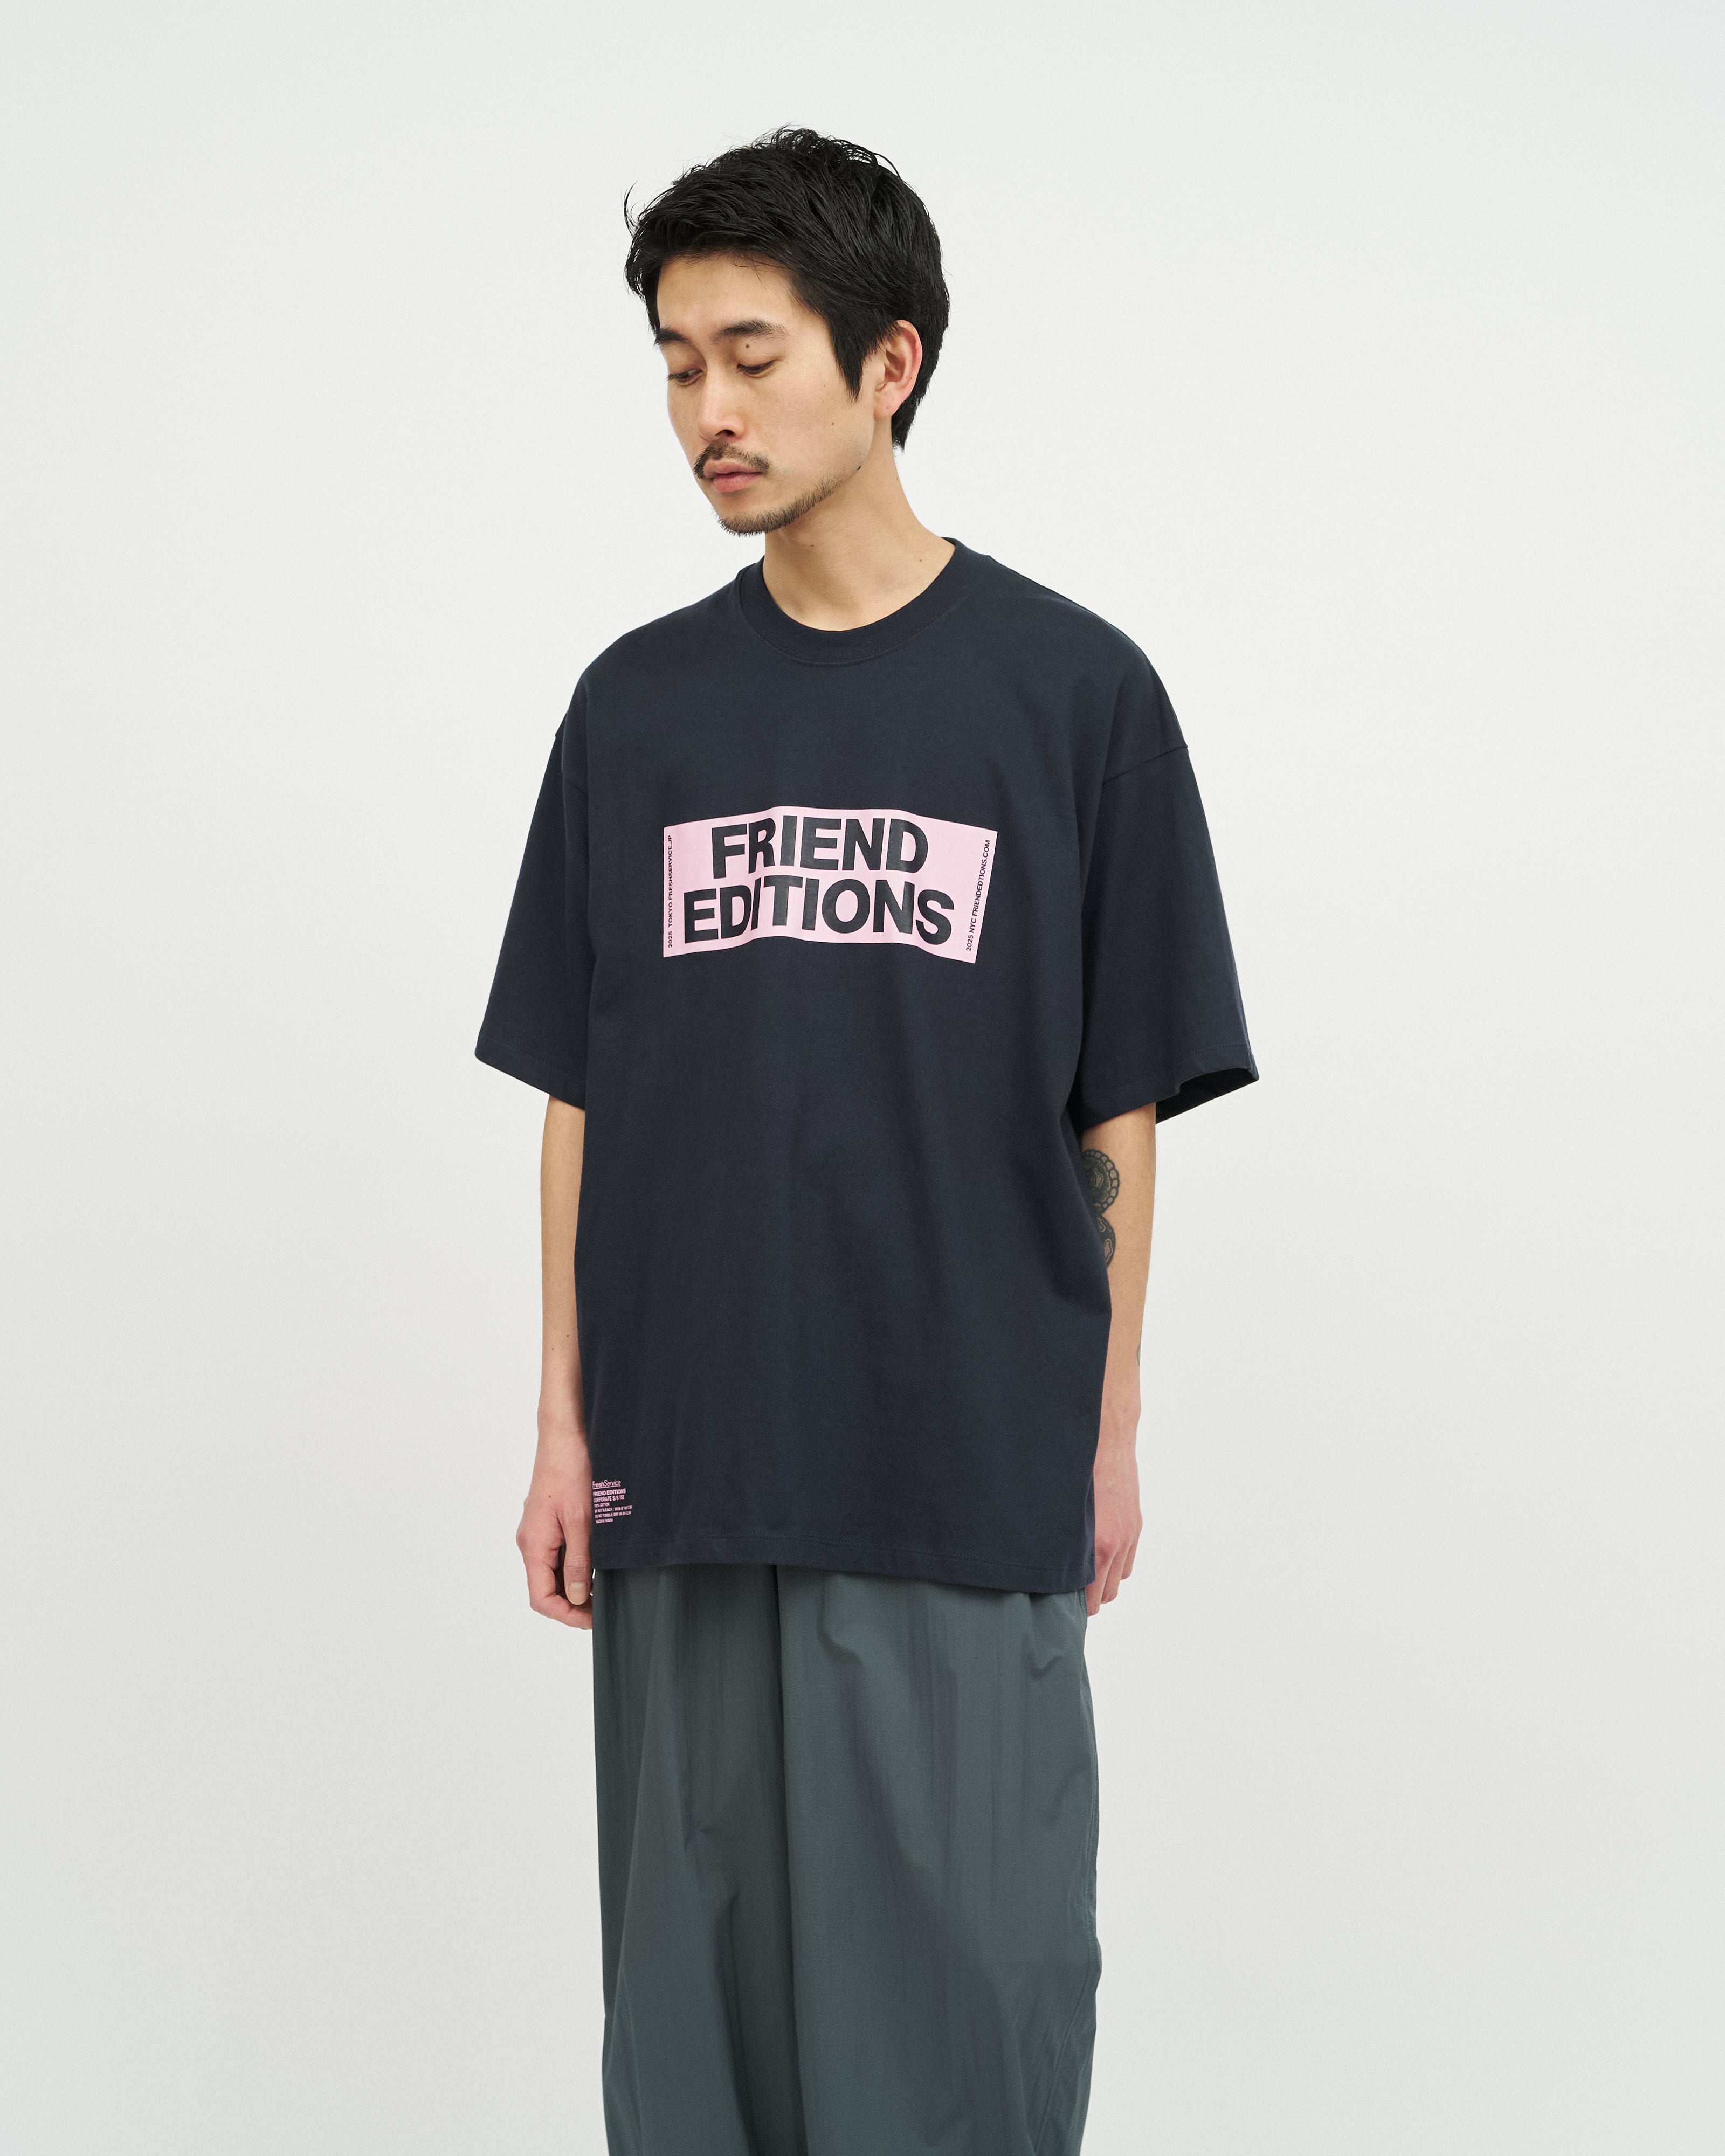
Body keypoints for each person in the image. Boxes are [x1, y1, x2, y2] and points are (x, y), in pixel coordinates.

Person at [476, 126, 1255, 2156]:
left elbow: (1119, 1101)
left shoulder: (1074, 695)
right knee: (696, 2057)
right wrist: (563, 1421)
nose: (706, 414)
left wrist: (1106, 1422)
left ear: (888, 361)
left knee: (969, 2028)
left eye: (751, 357)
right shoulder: (635, 712)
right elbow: (582, 1089)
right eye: (675, 366)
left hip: (956, 1455)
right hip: (689, 1461)